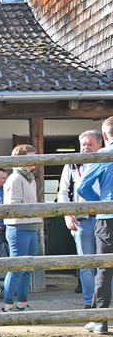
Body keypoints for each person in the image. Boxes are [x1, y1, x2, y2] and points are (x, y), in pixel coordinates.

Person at [58, 130, 104, 311]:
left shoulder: (107, 162)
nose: (85, 148)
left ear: (100, 145)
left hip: (105, 219)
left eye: (89, 144)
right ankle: (89, 303)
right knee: (86, 264)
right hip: (82, 220)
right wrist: (67, 215)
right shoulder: (72, 165)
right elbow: (62, 192)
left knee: (106, 262)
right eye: (83, 144)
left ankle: (104, 301)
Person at [77, 116, 113, 334]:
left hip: (108, 218)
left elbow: (83, 187)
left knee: (104, 269)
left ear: (106, 136)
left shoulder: (103, 155)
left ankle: (100, 320)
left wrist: (99, 204)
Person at [2, 144, 41, 311]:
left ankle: (22, 303)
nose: (35, 159)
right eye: (31, 156)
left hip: (32, 226)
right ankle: (8, 305)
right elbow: (13, 205)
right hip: (18, 227)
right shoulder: (15, 178)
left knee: (28, 268)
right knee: (16, 267)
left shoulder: (29, 178)